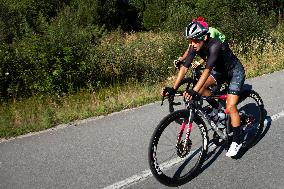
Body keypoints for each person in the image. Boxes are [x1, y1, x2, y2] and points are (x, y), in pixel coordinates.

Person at [163, 16, 245, 157]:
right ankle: (218, 113)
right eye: (190, 41)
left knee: (231, 106)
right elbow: (184, 67)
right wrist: (173, 88)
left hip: (234, 72)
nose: (193, 44)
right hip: (220, 72)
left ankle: (237, 141)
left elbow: (207, 70)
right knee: (200, 89)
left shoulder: (215, 45)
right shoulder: (194, 46)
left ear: (204, 38)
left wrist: (193, 91)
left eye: (195, 40)